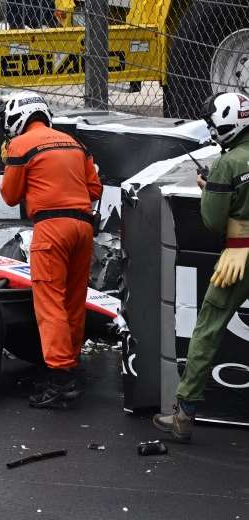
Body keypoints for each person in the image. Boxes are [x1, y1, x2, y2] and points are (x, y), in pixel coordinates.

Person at [154, 92, 249, 442]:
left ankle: (184, 415)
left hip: (238, 257)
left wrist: (211, 189)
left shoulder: (226, 165)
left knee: (208, 328)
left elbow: (212, 221)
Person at [0, 92, 102, 408]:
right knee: (73, 301)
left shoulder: (20, 146)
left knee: (50, 303)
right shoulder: (74, 143)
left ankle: (58, 379)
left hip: (51, 229)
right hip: (83, 228)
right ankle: (70, 368)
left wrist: (9, 162)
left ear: (16, 119)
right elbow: (94, 189)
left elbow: (9, 196)